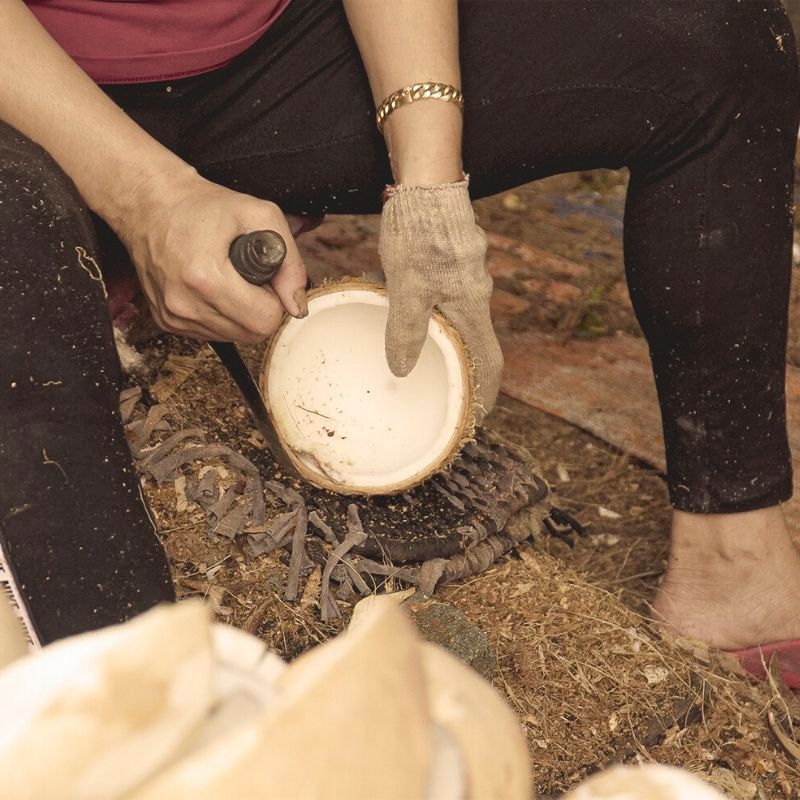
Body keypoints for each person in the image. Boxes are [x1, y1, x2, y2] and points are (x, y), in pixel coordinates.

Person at [0, 0, 798, 679]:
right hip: (30, 97)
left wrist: (430, 192)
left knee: (719, 50)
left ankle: (733, 563)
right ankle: (120, 722)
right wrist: (147, 199)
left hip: (265, 58)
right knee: (23, 269)